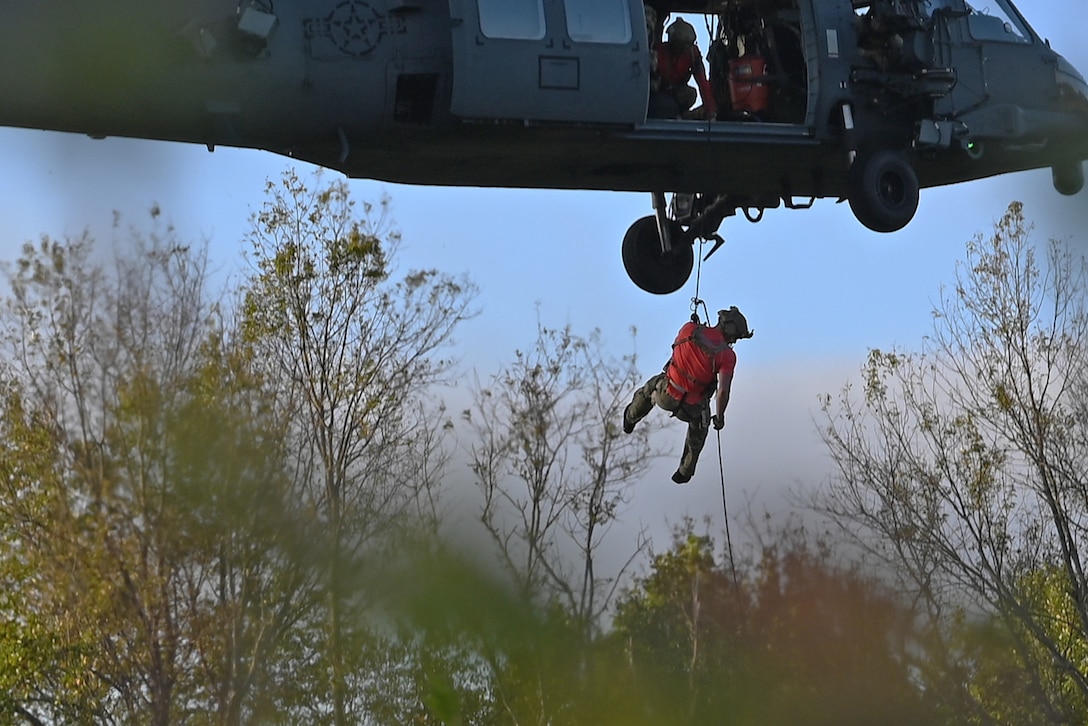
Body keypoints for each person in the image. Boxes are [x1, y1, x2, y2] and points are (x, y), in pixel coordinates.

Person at [623, 307, 753, 484]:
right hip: (692, 408)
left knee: (650, 388)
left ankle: (630, 417)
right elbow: (722, 391)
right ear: (731, 330)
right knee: (700, 427)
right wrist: (720, 417)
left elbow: (676, 353)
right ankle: (685, 470)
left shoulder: (689, 329)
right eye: (736, 336)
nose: (735, 341)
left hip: (666, 395)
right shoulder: (728, 356)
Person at [651, 18, 718, 121]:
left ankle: (681, 116)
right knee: (662, 105)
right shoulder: (658, 52)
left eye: (684, 47)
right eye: (678, 46)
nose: (681, 50)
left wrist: (711, 111)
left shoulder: (692, 55)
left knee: (690, 94)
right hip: (659, 95)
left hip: (678, 94)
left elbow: (703, 82)